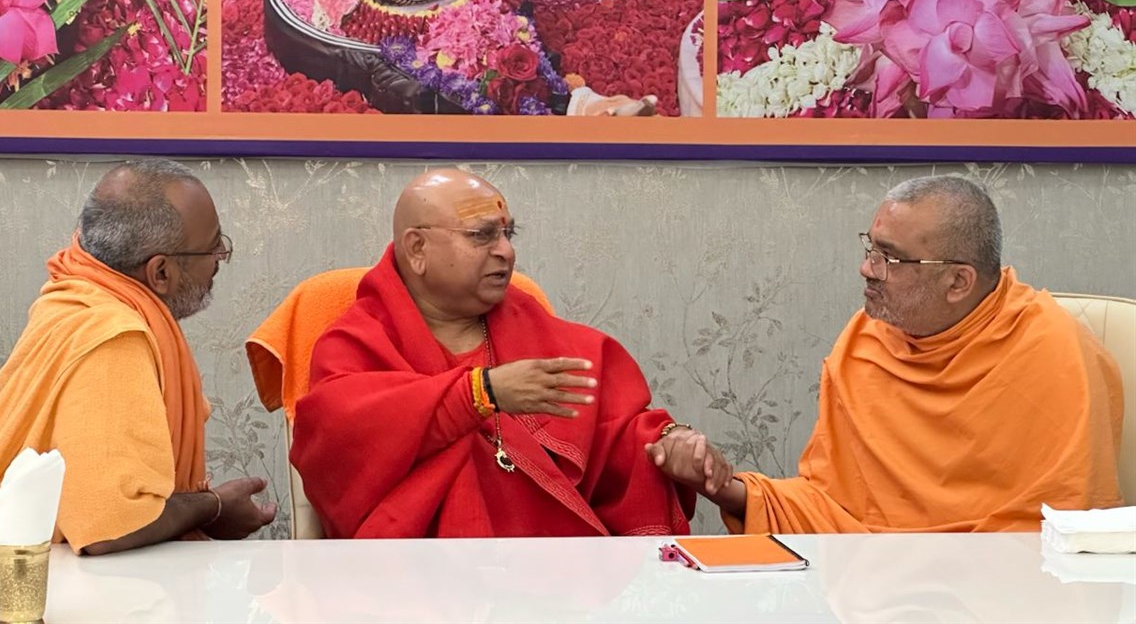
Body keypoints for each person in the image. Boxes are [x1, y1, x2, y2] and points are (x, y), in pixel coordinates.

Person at [649, 175, 1124, 533]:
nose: (866, 268)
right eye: (869, 248)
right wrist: (721, 487)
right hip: (871, 593)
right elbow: (832, 507)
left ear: (958, 281)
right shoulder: (867, 341)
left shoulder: (1053, 355)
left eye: (888, 258)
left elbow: (1064, 533)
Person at [289, 168, 728, 538]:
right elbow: (337, 444)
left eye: (507, 233)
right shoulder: (357, 343)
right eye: (482, 235)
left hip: (558, 588)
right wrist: (477, 393)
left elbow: (619, 433)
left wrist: (669, 444)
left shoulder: (556, 343)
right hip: (418, 590)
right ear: (417, 248)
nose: (506, 250)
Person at [0, 160, 276, 554]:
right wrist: (213, 507)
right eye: (214, 246)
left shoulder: (73, 295)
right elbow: (109, 526)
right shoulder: (112, 338)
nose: (219, 257)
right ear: (160, 273)